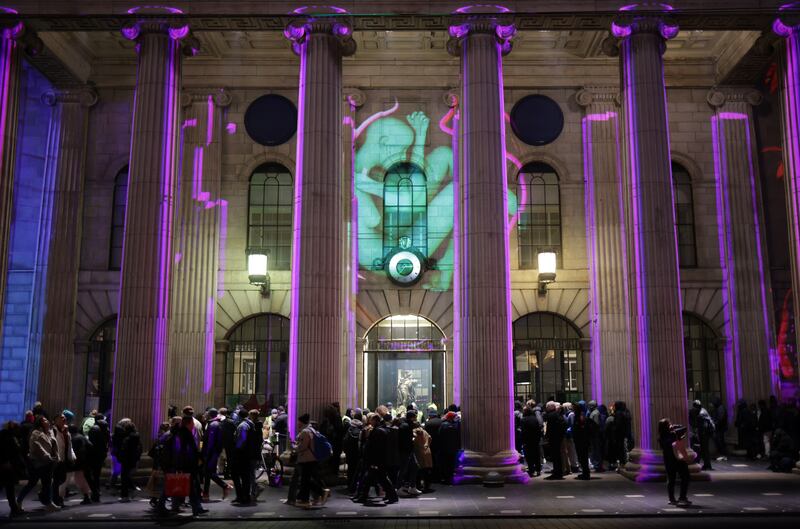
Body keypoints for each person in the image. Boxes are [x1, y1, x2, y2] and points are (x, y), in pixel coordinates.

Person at [156, 416, 207, 516]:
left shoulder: (176, 432)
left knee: (181, 486)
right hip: (182, 465)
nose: (193, 426)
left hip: (178, 464)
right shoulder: (182, 434)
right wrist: (181, 465)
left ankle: (197, 508)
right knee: (175, 485)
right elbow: (182, 451)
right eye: (192, 424)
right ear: (189, 423)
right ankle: (196, 508)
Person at [353, 412, 398, 505]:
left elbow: (374, 447)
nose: (370, 422)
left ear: (375, 420)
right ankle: (392, 496)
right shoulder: (382, 430)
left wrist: (372, 461)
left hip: (376, 460)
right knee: (374, 479)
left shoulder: (377, 431)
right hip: (379, 460)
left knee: (375, 479)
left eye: (371, 420)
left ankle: (392, 496)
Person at [17, 416, 60, 511]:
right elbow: (36, 446)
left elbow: (54, 445)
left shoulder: (49, 432)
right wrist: (47, 456)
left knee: (48, 483)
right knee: (32, 483)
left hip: (48, 462)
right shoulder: (36, 433)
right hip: (38, 462)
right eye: (44, 420)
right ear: (40, 423)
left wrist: (56, 457)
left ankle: (49, 503)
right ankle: (19, 501)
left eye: (46, 419)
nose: (47, 421)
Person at [294, 413, 329, 508]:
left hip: (307, 459)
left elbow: (303, 446)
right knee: (306, 480)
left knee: (306, 480)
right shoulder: (311, 430)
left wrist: (295, 447)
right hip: (311, 458)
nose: (297, 423)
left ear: (301, 422)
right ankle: (304, 497)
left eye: (298, 421)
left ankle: (320, 492)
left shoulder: (305, 432)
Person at [658, 418, 691, 506]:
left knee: (672, 479)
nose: (671, 425)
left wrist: (674, 427)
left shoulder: (662, 437)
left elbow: (684, 428)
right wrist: (674, 428)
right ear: (666, 426)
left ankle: (673, 499)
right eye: (669, 424)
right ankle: (681, 497)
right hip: (677, 459)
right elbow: (684, 428)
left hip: (670, 460)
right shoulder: (672, 434)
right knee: (684, 477)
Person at [202, 408, 232, 501]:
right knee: (208, 473)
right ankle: (206, 494)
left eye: (206, 414)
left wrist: (207, 453)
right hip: (213, 452)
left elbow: (211, 441)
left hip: (211, 452)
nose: (205, 415)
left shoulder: (213, 425)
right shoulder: (215, 424)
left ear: (210, 414)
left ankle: (225, 486)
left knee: (208, 472)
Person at [231, 409, 260, 505]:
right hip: (247, 454)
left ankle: (242, 496)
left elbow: (242, 440)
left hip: (242, 455)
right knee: (245, 476)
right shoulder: (250, 425)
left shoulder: (243, 426)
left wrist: (237, 451)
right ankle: (244, 496)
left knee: (238, 476)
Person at [0, 421, 26, 516]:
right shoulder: (8, 437)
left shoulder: (7, 436)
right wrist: (5, 462)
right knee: (9, 488)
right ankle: (14, 509)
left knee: (9, 488)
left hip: (7, 465)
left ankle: (14, 509)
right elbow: (9, 451)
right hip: (7, 466)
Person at [64, 424, 93, 504]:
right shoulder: (82, 436)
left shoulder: (72, 438)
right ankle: (87, 496)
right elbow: (90, 445)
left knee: (67, 480)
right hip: (83, 462)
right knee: (81, 479)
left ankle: (61, 497)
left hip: (76, 461)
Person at [117, 419, 142, 502]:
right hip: (133, 459)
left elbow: (123, 451)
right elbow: (140, 449)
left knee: (124, 477)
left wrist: (120, 458)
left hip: (126, 460)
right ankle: (132, 489)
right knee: (127, 476)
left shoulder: (127, 439)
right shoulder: (137, 438)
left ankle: (125, 496)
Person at [86, 413, 109, 502]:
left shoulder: (94, 429)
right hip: (101, 454)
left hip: (93, 455)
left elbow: (91, 444)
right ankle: (97, 492)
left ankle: (94, 492)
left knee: (91, 475)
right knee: (97, 475)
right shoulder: (106, 429)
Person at [342, 410, 364, 494]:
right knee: (357, 470)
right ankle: (355, 486)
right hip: (357, 453)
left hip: (349, 453)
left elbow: (344, 440)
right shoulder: (360, 428)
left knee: (350, 469)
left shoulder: (350, 428)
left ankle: (349, 485)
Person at [689, 400, 714, 470]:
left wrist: (697, 432)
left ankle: (706, 465)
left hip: (704, 433)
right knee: (702, 449)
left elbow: (701, 425)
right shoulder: (702, 411)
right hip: (703, 433)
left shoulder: (701, 414)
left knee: (703, 449)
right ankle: (705, 464)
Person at [543, 401, 566, 480]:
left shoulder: (551, 415)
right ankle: (558, 472)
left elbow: (549, 428)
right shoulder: (557, 414)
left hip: (553, 438)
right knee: (557, 456)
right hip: (558, 437)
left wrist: (547, 436)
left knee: (555, 456)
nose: (546, 408)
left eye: (547, 407)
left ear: (550, 407)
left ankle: (556, 473)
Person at [437, 411, 460, 484]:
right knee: (451, 463)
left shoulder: (443, 425)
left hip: (444, 448)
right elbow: (458, 437)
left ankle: (445, 477)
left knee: (445, 463)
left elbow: (439, 435)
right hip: (453, 448)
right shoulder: (456, 425)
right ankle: (450, 477)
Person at [520, 404, 542, 477]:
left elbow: (523, 431)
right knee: (536, 455)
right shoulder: (535, 419)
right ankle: (538, 470)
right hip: (535, 440)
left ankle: (531, 470)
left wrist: (523, 441)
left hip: (527, 441)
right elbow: (538, 429)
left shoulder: (523, 420)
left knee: (529, 456)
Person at [572, 403, 591, 480]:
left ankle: (586, 474)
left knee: (583, 457)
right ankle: (585, 473)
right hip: (580, 440)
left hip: (582, 440)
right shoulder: (578, 415)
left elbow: (581, 428)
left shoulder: (580, 415)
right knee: (582, 457)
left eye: (574, 407)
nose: (572, 408)